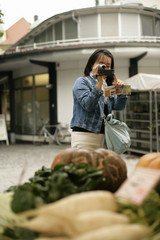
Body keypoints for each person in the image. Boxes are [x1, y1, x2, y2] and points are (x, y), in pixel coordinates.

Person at [70, 48, 128, 151]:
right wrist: (99, 84)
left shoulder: (107, 85)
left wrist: (121, 92)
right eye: (101, 64)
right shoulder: (82, 82)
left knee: (100, 167)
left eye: (108, 65)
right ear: (92, 65)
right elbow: (88, 105)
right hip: (84, 135)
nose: (105, 67)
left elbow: (119, 106)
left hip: (104, 136)